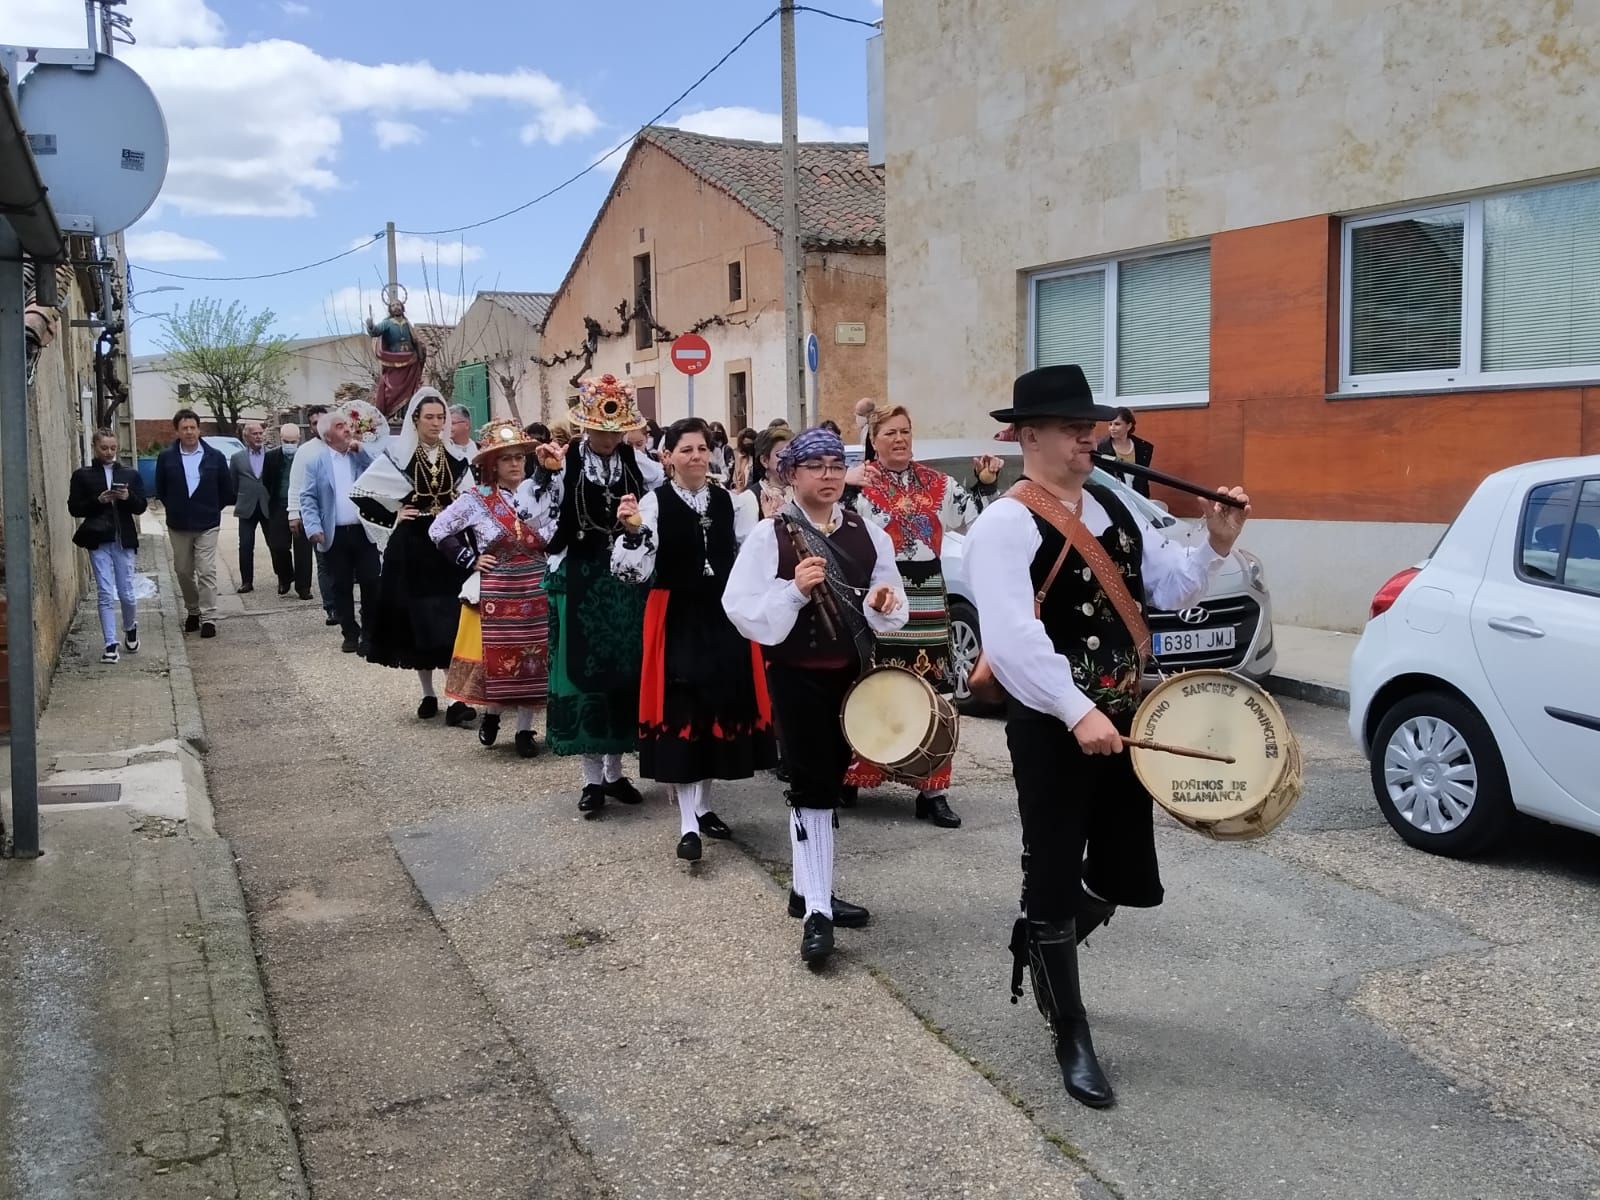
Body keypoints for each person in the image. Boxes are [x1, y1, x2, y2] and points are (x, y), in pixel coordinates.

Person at [964, 364, 1249, 1109]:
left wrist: (1215, 544)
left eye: (1087, 424)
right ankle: (1070, 1026)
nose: (1086, 436)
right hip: (1056, 727)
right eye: (1068, 426)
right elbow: (1015, 638)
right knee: (1053, 869)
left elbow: (1167, 586)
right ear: (1028, 436)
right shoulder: (1005, 523)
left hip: (1126, 722)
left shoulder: (1115, 507)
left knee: (1124, 874)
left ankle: (1040, 939)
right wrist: (1075, 710)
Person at [723, 427, 908, 968]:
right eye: (816, 466)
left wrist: (881, 601)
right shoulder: (769, 536)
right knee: (812, 786)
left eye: (835, 465)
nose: (828, 475)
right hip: (796, 675)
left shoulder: (868, 533)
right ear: (792, 474)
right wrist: (793, 591)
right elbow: (741, 608)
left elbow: (891, 607)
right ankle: (818, 915)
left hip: (851, 675)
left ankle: (809, 892)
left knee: (828, 778)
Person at [611, 417, 774, 862]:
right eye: (686, 449)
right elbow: (630, 571)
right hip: (677, 613)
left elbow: (748, 558)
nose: (696, 456)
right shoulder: (653, 503)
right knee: (684, 707)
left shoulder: (732, 502)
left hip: (722, 613)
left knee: (716, 707)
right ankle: (687, 824)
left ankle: (702, 808)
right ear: (668, 457)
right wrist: (632, 532)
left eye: (702, 448)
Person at [839, 404, 1003, 827]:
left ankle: (934, 790)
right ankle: (854, 775)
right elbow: (830, 530)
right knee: (873, 687)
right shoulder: (857, 486)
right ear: (873, 440)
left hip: (929, 595)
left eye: (906, 431)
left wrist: (985, 483)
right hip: (879, 594)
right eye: (891, 432)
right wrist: (843, 483)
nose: (900, 439)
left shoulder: (938, 483)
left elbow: (977, 522)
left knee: (936, 694)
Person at [542, 375, 664, 812]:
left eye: (616, 431)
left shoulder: (640, 464)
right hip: (583, 578)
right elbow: (537, 513)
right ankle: (591, 780)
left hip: (628, 582)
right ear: (584, 428)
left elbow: (657, 511)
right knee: (585, 676)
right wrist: (545, 474)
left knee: (624, 673)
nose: (609, 438)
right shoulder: (567, 462)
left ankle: (614, 774)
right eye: (601, 430)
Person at [431, 420, 563, 757]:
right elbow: (438, 529)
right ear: (492, 464)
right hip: (497, 588)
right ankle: (492, 714)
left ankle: (524, 730)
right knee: (500, 658)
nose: (516, 464)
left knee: (535, 659)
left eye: (519, 457)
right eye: (506, 459)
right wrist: (469, 558)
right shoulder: (476, 499)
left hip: (536, 584)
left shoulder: (541, 495)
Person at [350, 388, 474, 723]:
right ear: (415, 420)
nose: (436, 423)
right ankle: (428, 694)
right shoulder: (398, 458)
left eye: (440, 417)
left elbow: (471, 500)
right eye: (429, 417)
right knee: (417, 620)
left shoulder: (457, 458)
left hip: (448, 547)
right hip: (413, 547)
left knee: (451, 619)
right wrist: (394, 517)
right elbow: (361, 492)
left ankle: (457, 699)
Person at [300, 409, 379, 654]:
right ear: (327, 436)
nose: (346, 429)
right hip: (334, 534)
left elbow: (382, 473)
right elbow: (308, 497)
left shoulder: (360, 456)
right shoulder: (317, 463)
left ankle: (369, 634)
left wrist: (362, 452)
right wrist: (313, 527)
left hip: (364, 531)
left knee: (371, 582)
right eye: (339, 426)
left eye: (346, 425)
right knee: (341, 585)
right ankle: (350, 632)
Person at [154, 409, 235, 639]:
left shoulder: (215, 457)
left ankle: (209, 617)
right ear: (177, 431)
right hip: (179, 523)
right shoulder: (166, 457)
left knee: (207, 570)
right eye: (184, 428)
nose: (189, 432)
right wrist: (177, 507)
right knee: (183, 570)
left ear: (199, 430)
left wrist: (210, 508)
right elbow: (161, 489)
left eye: (192, 427)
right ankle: (193, 610)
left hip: (207, 522)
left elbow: (226, 490)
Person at [69, 429, 147, 664]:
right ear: (94, 447)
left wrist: (126, 497)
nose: (109, 452)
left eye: (113, 448)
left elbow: (141, 506)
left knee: (126, 593)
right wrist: (98, 500)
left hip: (123, 538)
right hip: (98, 538)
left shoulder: (130, 474)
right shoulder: (83, 475)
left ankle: (130, 626)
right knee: (104, 591)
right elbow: (74, 508)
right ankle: (110, 644)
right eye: (104, 448)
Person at [288, 403, 339, 625]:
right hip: (318, 516)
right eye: (314, 424)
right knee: (324, 562)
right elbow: (296, 484)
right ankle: (332, 607)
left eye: (323, 422)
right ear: (310, 427)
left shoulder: (343, 446)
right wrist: (293, 513)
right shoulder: (305, 452)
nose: (319, 427)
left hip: (343, 515)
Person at [261, 423, 308, 597]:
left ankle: (304, 587)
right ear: (281, 439)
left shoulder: (305, 456)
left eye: (293, 441)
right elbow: (266, 481)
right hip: (279, 504)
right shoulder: (271, 457)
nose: (290, 444)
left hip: (303, 505)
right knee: (278, 545)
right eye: (286, 441)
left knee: (303, 548)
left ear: (299, 439)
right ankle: (285, 576)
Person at [230, 420, 270, 594]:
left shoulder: (272, 455)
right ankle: (247, 581)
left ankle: (283, 578)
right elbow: (233, 483)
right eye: (255, 434)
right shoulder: (237, 458)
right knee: (245, 545)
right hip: (246, 507)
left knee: (276, 544)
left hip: (268, 506)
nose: (259, 436)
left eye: (261, 433)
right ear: (246, 437)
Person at [367, 299, 425, 417]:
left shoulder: (407, 323)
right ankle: (390, 414)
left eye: (398, 305)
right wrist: (371, 326)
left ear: (402, 307)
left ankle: (405, 415)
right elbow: (376, 332)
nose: (396, 307)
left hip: (410, 361)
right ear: (390, 309)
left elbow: (415, 341)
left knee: (409, 390)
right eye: (393, 305)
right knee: (392, 389)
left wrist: (420, 351)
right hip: (394, 361)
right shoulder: (387, 323)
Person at [1095, 407, 1154, 498]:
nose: (1112, 428)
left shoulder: (1143, 448)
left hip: (1138, 498)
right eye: (1110, 424)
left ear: (1129, 426)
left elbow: (1143, 480)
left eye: (1117, 424)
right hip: (1114, 499)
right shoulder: (1101, 449)